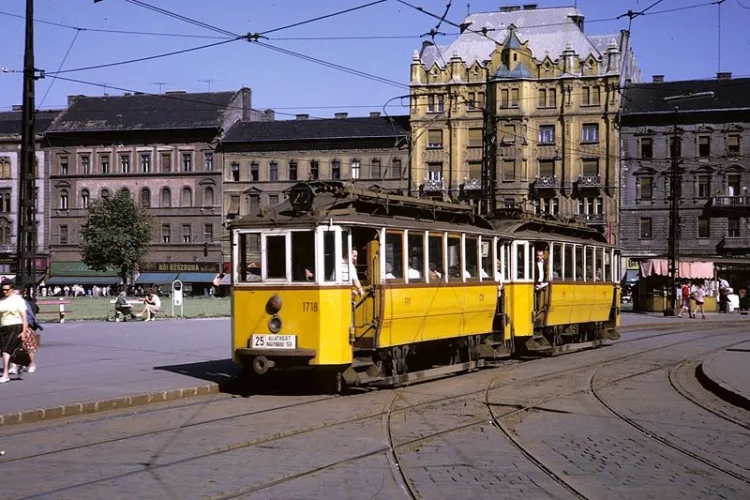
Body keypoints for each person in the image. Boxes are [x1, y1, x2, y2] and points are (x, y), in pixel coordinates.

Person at [0, 281, 29, 383]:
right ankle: (18, 364)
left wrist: (24, 332)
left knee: (6, 350)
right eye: (3, 289)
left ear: (12, 289)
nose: (4, 292)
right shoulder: (1, 300)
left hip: (16, 326)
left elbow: (24, 317)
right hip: (3, 326)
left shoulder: (18, 300)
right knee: (6, 350)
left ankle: (5, 375)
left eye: (7, 290)